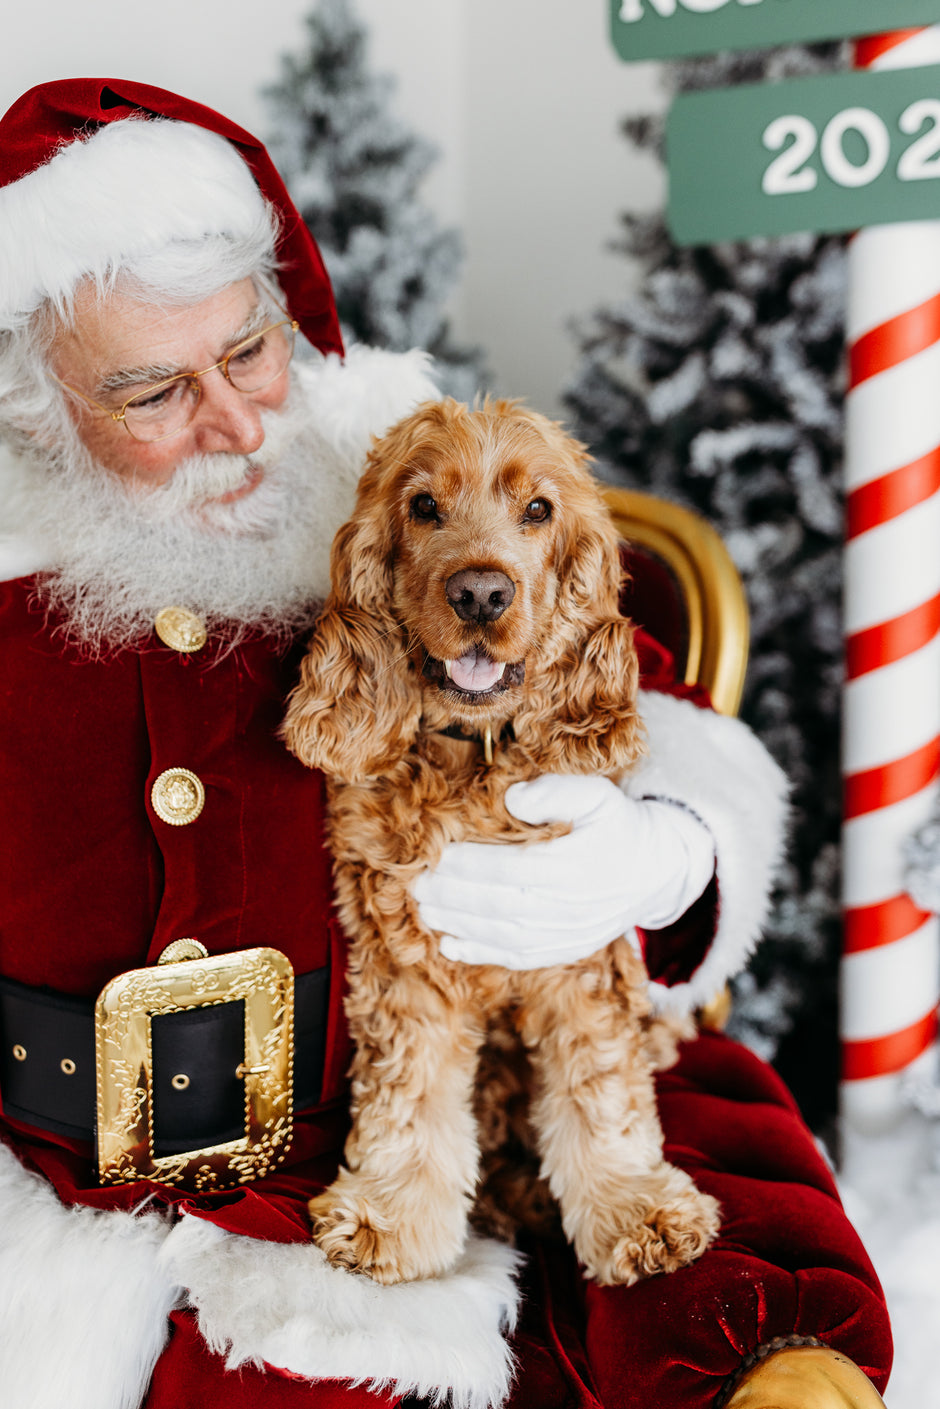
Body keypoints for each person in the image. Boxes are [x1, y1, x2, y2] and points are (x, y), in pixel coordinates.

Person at [0, 79, 890, 1409]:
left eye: (251, 351)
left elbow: (654, 713)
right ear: (33, 401)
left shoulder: (392, 486)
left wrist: (656, 852)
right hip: (83, 1197)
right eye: (152, 394)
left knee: (758, 1313)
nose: (240, 425)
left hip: (454, 1104)